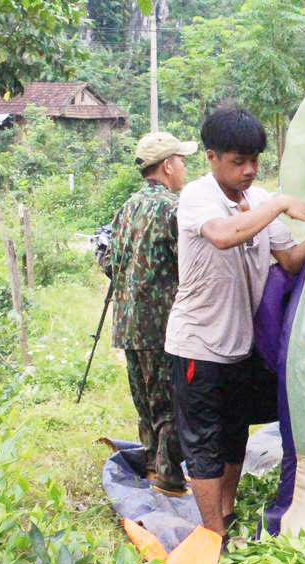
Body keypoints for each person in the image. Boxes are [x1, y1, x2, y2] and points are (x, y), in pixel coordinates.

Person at [165, 105, 305, 540]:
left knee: (235, 434)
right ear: (212, 157)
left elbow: (290, 261)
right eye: (239, 161)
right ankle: (212, 536)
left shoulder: (258, 202)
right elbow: (223, 235)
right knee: (204, 441)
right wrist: (280, 204)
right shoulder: (198, 196)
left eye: (254, 160)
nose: (249, 170)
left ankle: (227, 511)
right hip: (197, 343)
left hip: (240, 345)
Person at [108, 131, 197, 496]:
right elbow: (189, 263)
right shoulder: (172, 209)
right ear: (168, 166)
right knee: (170, 403)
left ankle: (150, 464)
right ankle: (169, 478)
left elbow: (109, 262)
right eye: (181, 160)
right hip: (161, 325)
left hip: (128, 323)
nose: (184, 167)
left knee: (146, 400)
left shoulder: (127, 207)